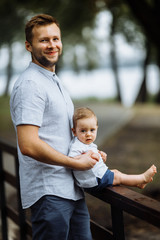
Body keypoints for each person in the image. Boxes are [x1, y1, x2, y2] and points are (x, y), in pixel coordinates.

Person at [10, 14, 101, 240]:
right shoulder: (31, 84)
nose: (52, 45)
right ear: (28, 46)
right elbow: (28, 145)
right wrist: (75, 163)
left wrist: (88, 153)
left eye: (55, 38)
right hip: (49, 192)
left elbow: (61, 136)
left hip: (70, 190)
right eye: (44, 40)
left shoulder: (52, 80)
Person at [69, 107, 157, 192]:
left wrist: (100, 157)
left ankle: (138, 183)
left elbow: (91, 157)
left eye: (92, 130)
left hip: (95, 176)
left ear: (97, 129)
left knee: (116, 172)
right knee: (117, 177)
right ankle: (143, 178)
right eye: (83, 131)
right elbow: (72, 161)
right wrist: (84, 158)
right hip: (92, 180)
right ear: (74, 132)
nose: (88, 134)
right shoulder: (76, 146)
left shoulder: (88, 143)